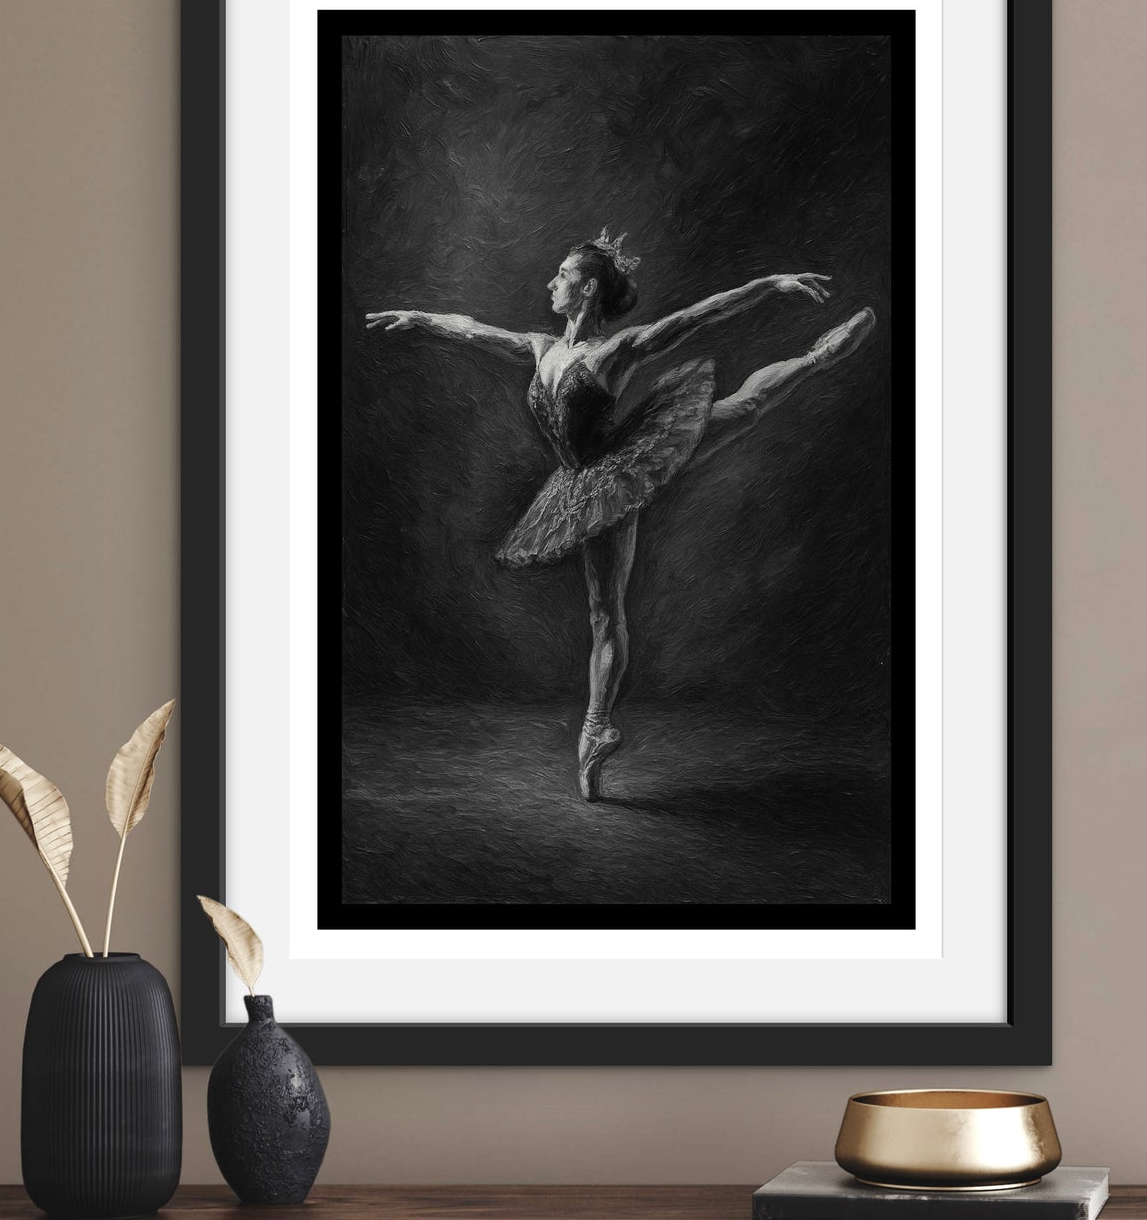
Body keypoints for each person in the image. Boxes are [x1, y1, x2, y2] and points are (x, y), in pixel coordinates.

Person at [366, 231, 875, 801]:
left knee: (742, 408)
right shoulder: (540, 347)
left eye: (561, 276)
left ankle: (818, 356)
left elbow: (691, 319)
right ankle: (594, 736)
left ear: (587, 290)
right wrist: (419, 317)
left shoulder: (614, 352)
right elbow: (473, 329)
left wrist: (765, 284)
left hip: (624, 467)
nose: (550, 284)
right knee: (603, 611)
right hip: (578, 482)